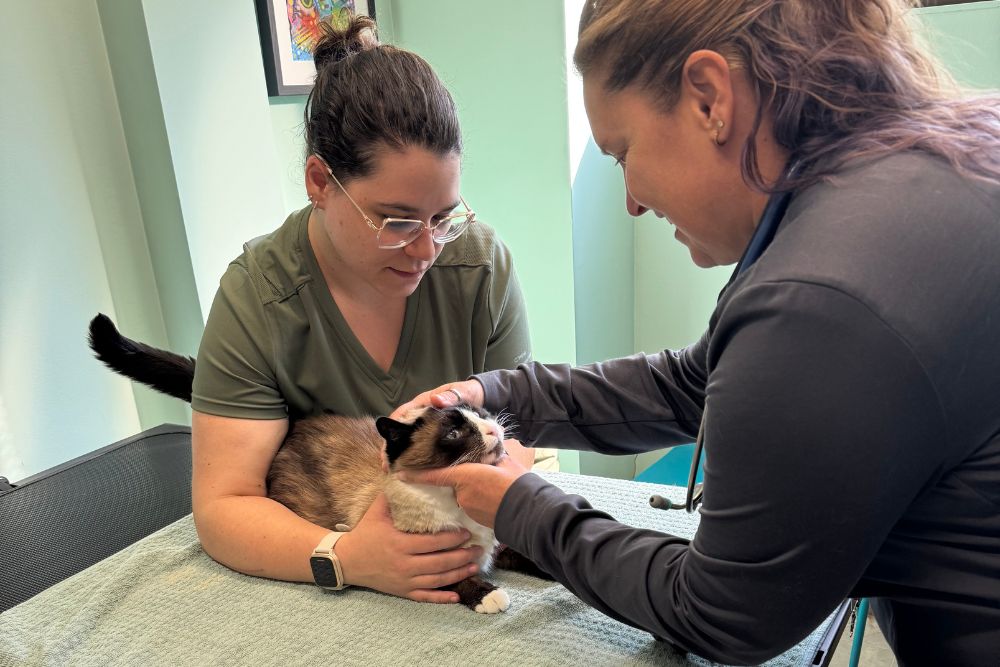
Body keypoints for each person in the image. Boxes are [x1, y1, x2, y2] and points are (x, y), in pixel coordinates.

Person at [394, 0, 1000, 664]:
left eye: (621, 152)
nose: (629, 200)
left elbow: (720, 613)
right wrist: (499, 393)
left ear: (709, 98)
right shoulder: (907, 171)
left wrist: (524, 508)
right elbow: (698, 380)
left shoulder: (821, 297)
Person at [189, 15, 538, 605]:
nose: (427, 249)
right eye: (397, 221)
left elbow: (517, 442)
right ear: (320, 182)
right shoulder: (259, 297)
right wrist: (346, 557)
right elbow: (225, 507)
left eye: (443, 217)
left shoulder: (481, 269)